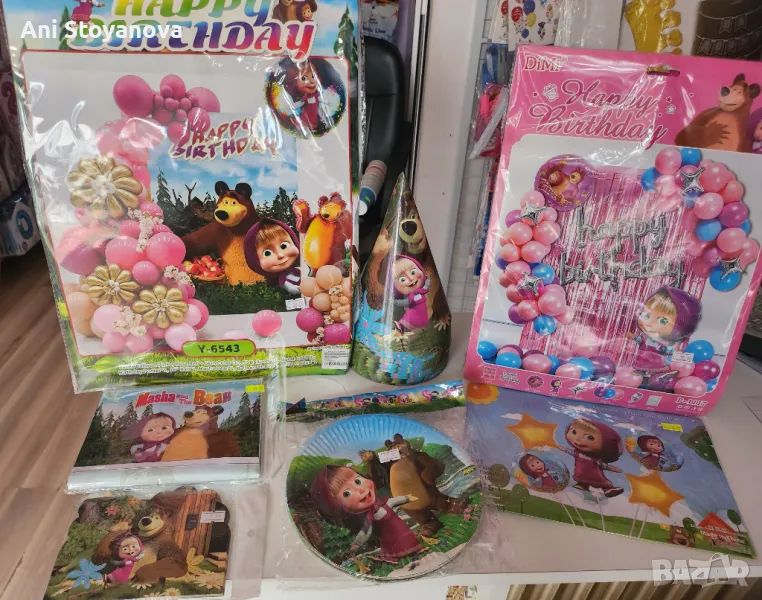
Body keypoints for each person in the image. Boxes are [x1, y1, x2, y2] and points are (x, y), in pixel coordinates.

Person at [310, 465, 425, 564]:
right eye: (347, 493)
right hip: (390, 538)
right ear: (338, 507)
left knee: (407, 541)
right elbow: (366, 531)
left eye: (358, 481)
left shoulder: (383, 504)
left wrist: (407, 498)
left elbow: (393, 501)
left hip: (402, 531)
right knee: (397, 547)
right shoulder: (370, 517)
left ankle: (414, 551)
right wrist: (357, 543)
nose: (360, 490)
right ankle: (402, 556)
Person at [561, 418, 624, 498]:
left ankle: (608, 489)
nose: (577, 439)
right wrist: (564, 449)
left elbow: (603, 465)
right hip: (580, 473)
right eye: (574, 432)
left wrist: (612, 468)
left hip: (594, 476)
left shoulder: (595, 459)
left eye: (590, 437)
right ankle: (582, 485)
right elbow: (571, 452)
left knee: (601, 482)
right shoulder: (578, 453)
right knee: (581, 478)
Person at [244, 217, 301, 294]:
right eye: (267, 253)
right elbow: (291, 289)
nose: (280, 255)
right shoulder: (280, 282)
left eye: (284, 246)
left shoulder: (305, 266)